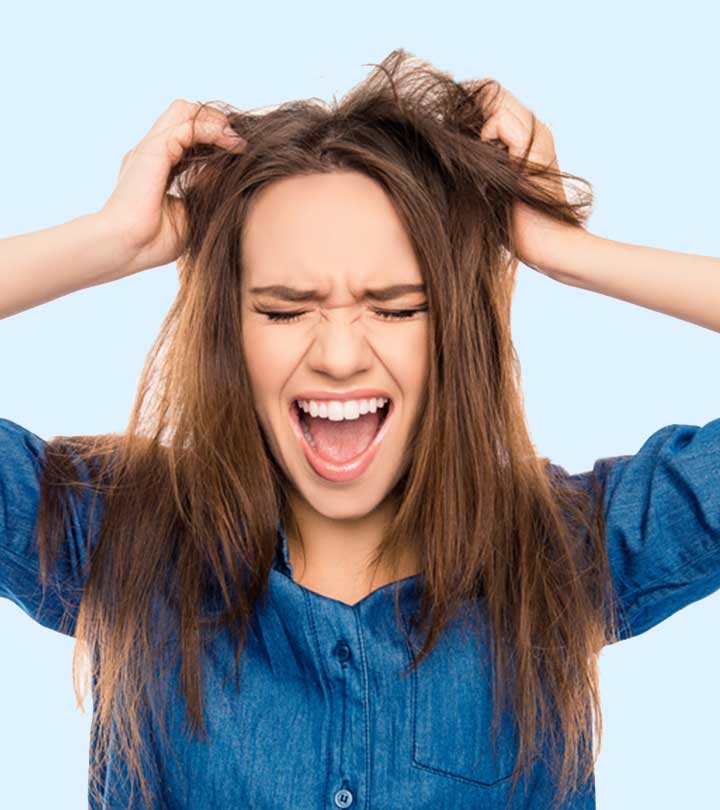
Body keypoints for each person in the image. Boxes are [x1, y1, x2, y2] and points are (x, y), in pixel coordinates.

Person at [1, 49, 719, 810]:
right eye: (283, 309)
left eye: (398, 307)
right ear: (229, 331)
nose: (339, 356)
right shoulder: (121, 534)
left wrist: (567, 252)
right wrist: (110, 240)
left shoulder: (564, 546)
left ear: (453, 333)